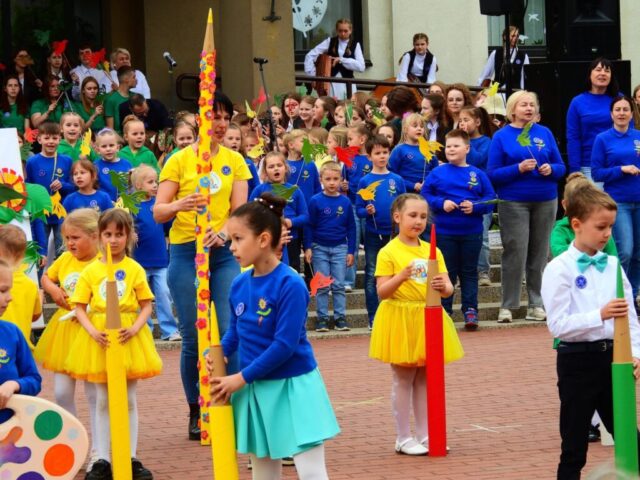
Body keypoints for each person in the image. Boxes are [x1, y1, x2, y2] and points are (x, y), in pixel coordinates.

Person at [210, 192, 339, 479]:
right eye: (230, 239)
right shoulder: (239, 284)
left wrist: (240, 378)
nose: (231, 247)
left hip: (293, 387)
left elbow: (284, 345)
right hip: (256, 386)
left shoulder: (290, 283)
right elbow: (235, 331)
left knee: (311, 472)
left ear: (264, 239)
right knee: (263, 471)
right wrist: (219, 353)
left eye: (238, 239)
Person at [154, 91, 252, 441]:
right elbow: (158, 211)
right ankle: (197, 410)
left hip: (223, 253)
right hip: (185, 251)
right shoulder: (179, 160)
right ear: (200, 119)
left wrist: (223, 232)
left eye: (226, 117)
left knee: (230, 330)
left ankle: (232, 406)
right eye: (215, 116)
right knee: (193, 335)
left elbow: (240, 211)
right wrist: (181, 204)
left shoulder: (234, 160)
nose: (221, 123)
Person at [540, 185, 640, 479]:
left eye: (610, 227)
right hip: (577, 362)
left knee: (631, 440)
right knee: (574, 446)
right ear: (577, 225)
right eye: (600, 227)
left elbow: (629, 317)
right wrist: (599, 315)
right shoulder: (559, 268)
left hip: (614, 360)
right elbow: (558, 325)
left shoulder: (613, 265)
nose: (607, 234)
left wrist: (635, 353)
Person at [65, 208, 161, 479]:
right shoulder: (91, 270)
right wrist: (93, 332)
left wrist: (135, 328)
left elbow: (146, 304)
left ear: (128, 236)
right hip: (100, 341)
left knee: (128, 399)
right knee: (102, 400)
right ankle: (102, 459)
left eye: (119, 234)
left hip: (128, 339)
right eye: (108, 234)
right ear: (99, 236)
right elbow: (79, 307)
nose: (113, 240)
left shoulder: (134, 268)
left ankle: (130, 456)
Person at [369, 193, 464, 455]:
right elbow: (382, 292)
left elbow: (448, 288)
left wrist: (443, 285)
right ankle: (403, 437)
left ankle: (425, 434)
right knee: (403, 377)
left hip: (428, 316)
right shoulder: (388, 251)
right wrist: (401, 276)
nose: (418, 221)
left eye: (423, 216)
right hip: (400, 317)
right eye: (412, 215)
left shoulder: (433, 250)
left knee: (424, 378)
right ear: (397, 217)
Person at [487, 90, 566, 323]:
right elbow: (492, 173)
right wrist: (517, 169)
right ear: (512, 110)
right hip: (514, 201)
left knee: (540, 254)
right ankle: (508, 306)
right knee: (515, 252)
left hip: (546, 199)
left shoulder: (545, 132)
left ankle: (536, 304)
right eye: (524, 105)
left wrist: (551, 169)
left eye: (532, 104)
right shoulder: (501, 136)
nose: (529, 108)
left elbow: (561, 166)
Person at [33, 208, 99, 441]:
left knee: (95, 394)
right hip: (65, 332)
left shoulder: (101, 262)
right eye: (67, 238)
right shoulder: (65, 259)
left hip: (90, 332)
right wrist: (52, 289)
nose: (70, 243)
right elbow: (46, 277)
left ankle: (98, 447)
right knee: (61, 393)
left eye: (75, 238)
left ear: (94, 236)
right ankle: (73, 440)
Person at [422, 129, 496, 330]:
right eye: (448, 146)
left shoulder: (478, 174)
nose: (451, 149)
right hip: (444, 233)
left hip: (471, 232)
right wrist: (441, 203)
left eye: (456, 146)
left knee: (469, 272)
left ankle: (470, 310)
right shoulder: (438, 172)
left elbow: (491, 199)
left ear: (467, 149)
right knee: (447, 272)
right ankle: (445, 310)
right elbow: (425, 193)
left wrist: (475, 207)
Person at [591, 96, 640, 303]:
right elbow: (596, 173)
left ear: (632, 113)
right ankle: (618, 295)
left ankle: (633, 296)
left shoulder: (638, 136)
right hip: (618, 202)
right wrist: (621, 169)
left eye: (625, 109)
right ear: (611, 114)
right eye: (617, 109)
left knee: (638, 254)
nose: (621, 113)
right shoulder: (602, 139)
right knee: (625, 251)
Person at [357, 135, 406, 328]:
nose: (382, 156)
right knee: (372, 274)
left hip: (395, 234)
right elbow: (359, 209)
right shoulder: (364, 181)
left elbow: (404, 205)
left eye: (385, 152)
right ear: (369, 157)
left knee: (396, 273)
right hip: (373, 233)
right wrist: (366, 211)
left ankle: (395, 314)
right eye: (377, 153)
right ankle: (374, 316)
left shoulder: (397, 179)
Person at [304, 161, 356, 332]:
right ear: (321, 180)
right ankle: (322, 319)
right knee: (322, 284)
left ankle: (340, 317)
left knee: (339, 284)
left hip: (340, 247)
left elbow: (351, 227)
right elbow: (309, 225)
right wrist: (308, 247)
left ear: (341, 179)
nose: (332, 183)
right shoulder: (315, 201)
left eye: (335, 179)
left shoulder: (345, 201)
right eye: (328, 179)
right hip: (319, 248)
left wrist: (351, 251)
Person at [131, 165, 181, 341]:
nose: (155, 185)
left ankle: (169, 330)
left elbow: (168, 227)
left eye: (156, 182)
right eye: (150, 182)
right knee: (141, 298)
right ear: (138, 185)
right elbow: (124, 227)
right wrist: (130, 233)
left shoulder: (159, 205)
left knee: (165, 295)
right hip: (139, 262)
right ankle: (144, 331)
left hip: (160, 260)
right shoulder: (131, 206)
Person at [0, 258, 42, 424]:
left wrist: (14, 384)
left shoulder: (12, 333)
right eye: (3, 290)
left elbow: (34, 379)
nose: (10, 298)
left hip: (11, 432)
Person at [251, 151, 309, 270]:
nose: (276, 169)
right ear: (265, 171)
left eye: (279, 165)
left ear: (285, 168)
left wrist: (290, 222)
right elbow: (250, 213)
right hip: (267, 239)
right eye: (271, 167)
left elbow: (305, 216)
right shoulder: (259, 190)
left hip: (290, 238)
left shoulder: (295, 190)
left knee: (291, 270)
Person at [25, 121, 75, 257]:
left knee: (63, 251)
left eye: (54, 138)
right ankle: (41, 270)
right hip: (41, 214)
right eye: (47, 138)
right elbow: (28, 186)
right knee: (40, 252)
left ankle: (62, 271)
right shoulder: (32, 162)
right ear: (39, 140)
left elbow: (74, 186)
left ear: (60, 139)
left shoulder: (67, 160)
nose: (51, 141)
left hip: (61, 213)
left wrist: (63, 185)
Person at [458, 105, 494, 286]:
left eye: (466, 120)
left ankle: (483, 271)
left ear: (478, 122)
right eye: (460, 120)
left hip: (480, 195)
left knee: (482, 235)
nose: (462, 123)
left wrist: (466, 142)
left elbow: (476, 159)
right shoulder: (458, 141)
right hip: (460, 194)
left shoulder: (487, 141)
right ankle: (460, 272)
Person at [566, 57, 620, 178]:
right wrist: (575, 171)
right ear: (590, 74)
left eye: (607, 71)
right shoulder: (577, 102)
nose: (603, 73)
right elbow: (573, 138)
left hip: (617, 165)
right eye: (598, 70)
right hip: (588, 167)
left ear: (611, 76)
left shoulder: (619, 100)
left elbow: (629, 133)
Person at [0, 225, 42, 349]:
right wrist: (40, 297)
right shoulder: (30, 285)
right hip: (22, 348)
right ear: (22, 256)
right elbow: (35, 316)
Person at [304, 18, 365, 100]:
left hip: (348, 83)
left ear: (350, 31)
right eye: (340, 31)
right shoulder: (330, 41)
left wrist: (341, 60)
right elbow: (310, 56)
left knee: (349, 106)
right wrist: (313, 77)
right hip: (331, 83)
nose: (342, 33)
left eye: (345, 31)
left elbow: (361, 67)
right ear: (336, 30)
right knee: (331, 105)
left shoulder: (355, 44)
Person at [388, 113, 438, 194]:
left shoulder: (429, 149)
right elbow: (392, 174)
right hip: (406, 193)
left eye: (422, 126)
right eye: (415, 126)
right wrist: (412, 185)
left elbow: (435, 171)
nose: (419, 129)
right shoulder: (399, 150)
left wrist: (428, 182)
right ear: (405, 129)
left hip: (426, 192)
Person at [477, 25, 529, 90]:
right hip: (496, 89)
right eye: (513, 36)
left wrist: (522, 92)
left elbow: (524, 79)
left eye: (517, 36)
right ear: (505, 37)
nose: (515, 38)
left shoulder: (523, 56)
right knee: (493, 96)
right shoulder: (495, 53)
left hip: (515, 91)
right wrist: (478, 90)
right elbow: (485, 74)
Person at [93, 128, 133, 201]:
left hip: (123, 204)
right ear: (98, 150)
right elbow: (93, 187)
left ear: (117, 148)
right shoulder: (95, 166)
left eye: (111, 145)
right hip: (104, 204)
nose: (108, 149)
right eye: (104, 146)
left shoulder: (126, 164)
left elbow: (131, 186)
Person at [105, 66, 137, 133]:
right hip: (119, 137)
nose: (136, 80)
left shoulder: (135, 96)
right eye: (134, 77)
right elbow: (110, 129)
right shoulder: (110, 100)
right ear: (126, 79)